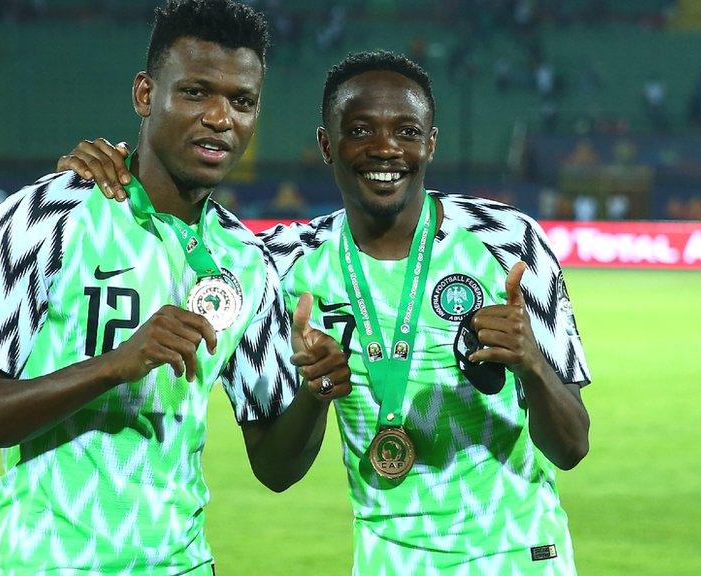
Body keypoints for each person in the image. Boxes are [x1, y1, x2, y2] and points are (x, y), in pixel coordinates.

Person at [60, 50, 592, 574]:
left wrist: (534, 365)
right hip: (388, 563)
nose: (385, 149)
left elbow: (571, 446)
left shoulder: (510, 241)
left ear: (430, 144)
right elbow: (274, 470)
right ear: (326, 144)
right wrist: (108, 166)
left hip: (523, 558)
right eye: (360, 130)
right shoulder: (283, 266)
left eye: (407, 132)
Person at [0, 2, 350, 574]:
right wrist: (117, 364)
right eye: (195, 92)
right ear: (143, 96)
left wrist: (316, 391)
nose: (219, 117)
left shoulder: (245, 263)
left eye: (242, 101)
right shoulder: (47, 217)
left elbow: (276, 468)